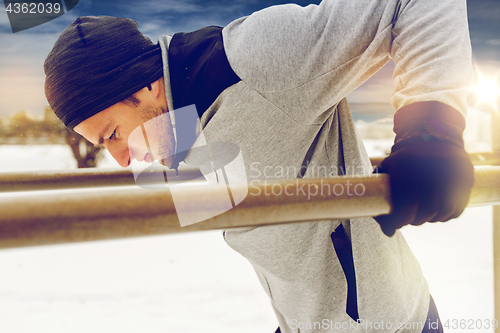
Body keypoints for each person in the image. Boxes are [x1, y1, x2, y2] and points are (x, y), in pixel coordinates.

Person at [44, 0, 474, 332]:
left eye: (112, 135)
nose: (121, 159)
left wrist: (431, 129)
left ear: (147, 85)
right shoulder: (175, 133)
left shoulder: (255, 60)